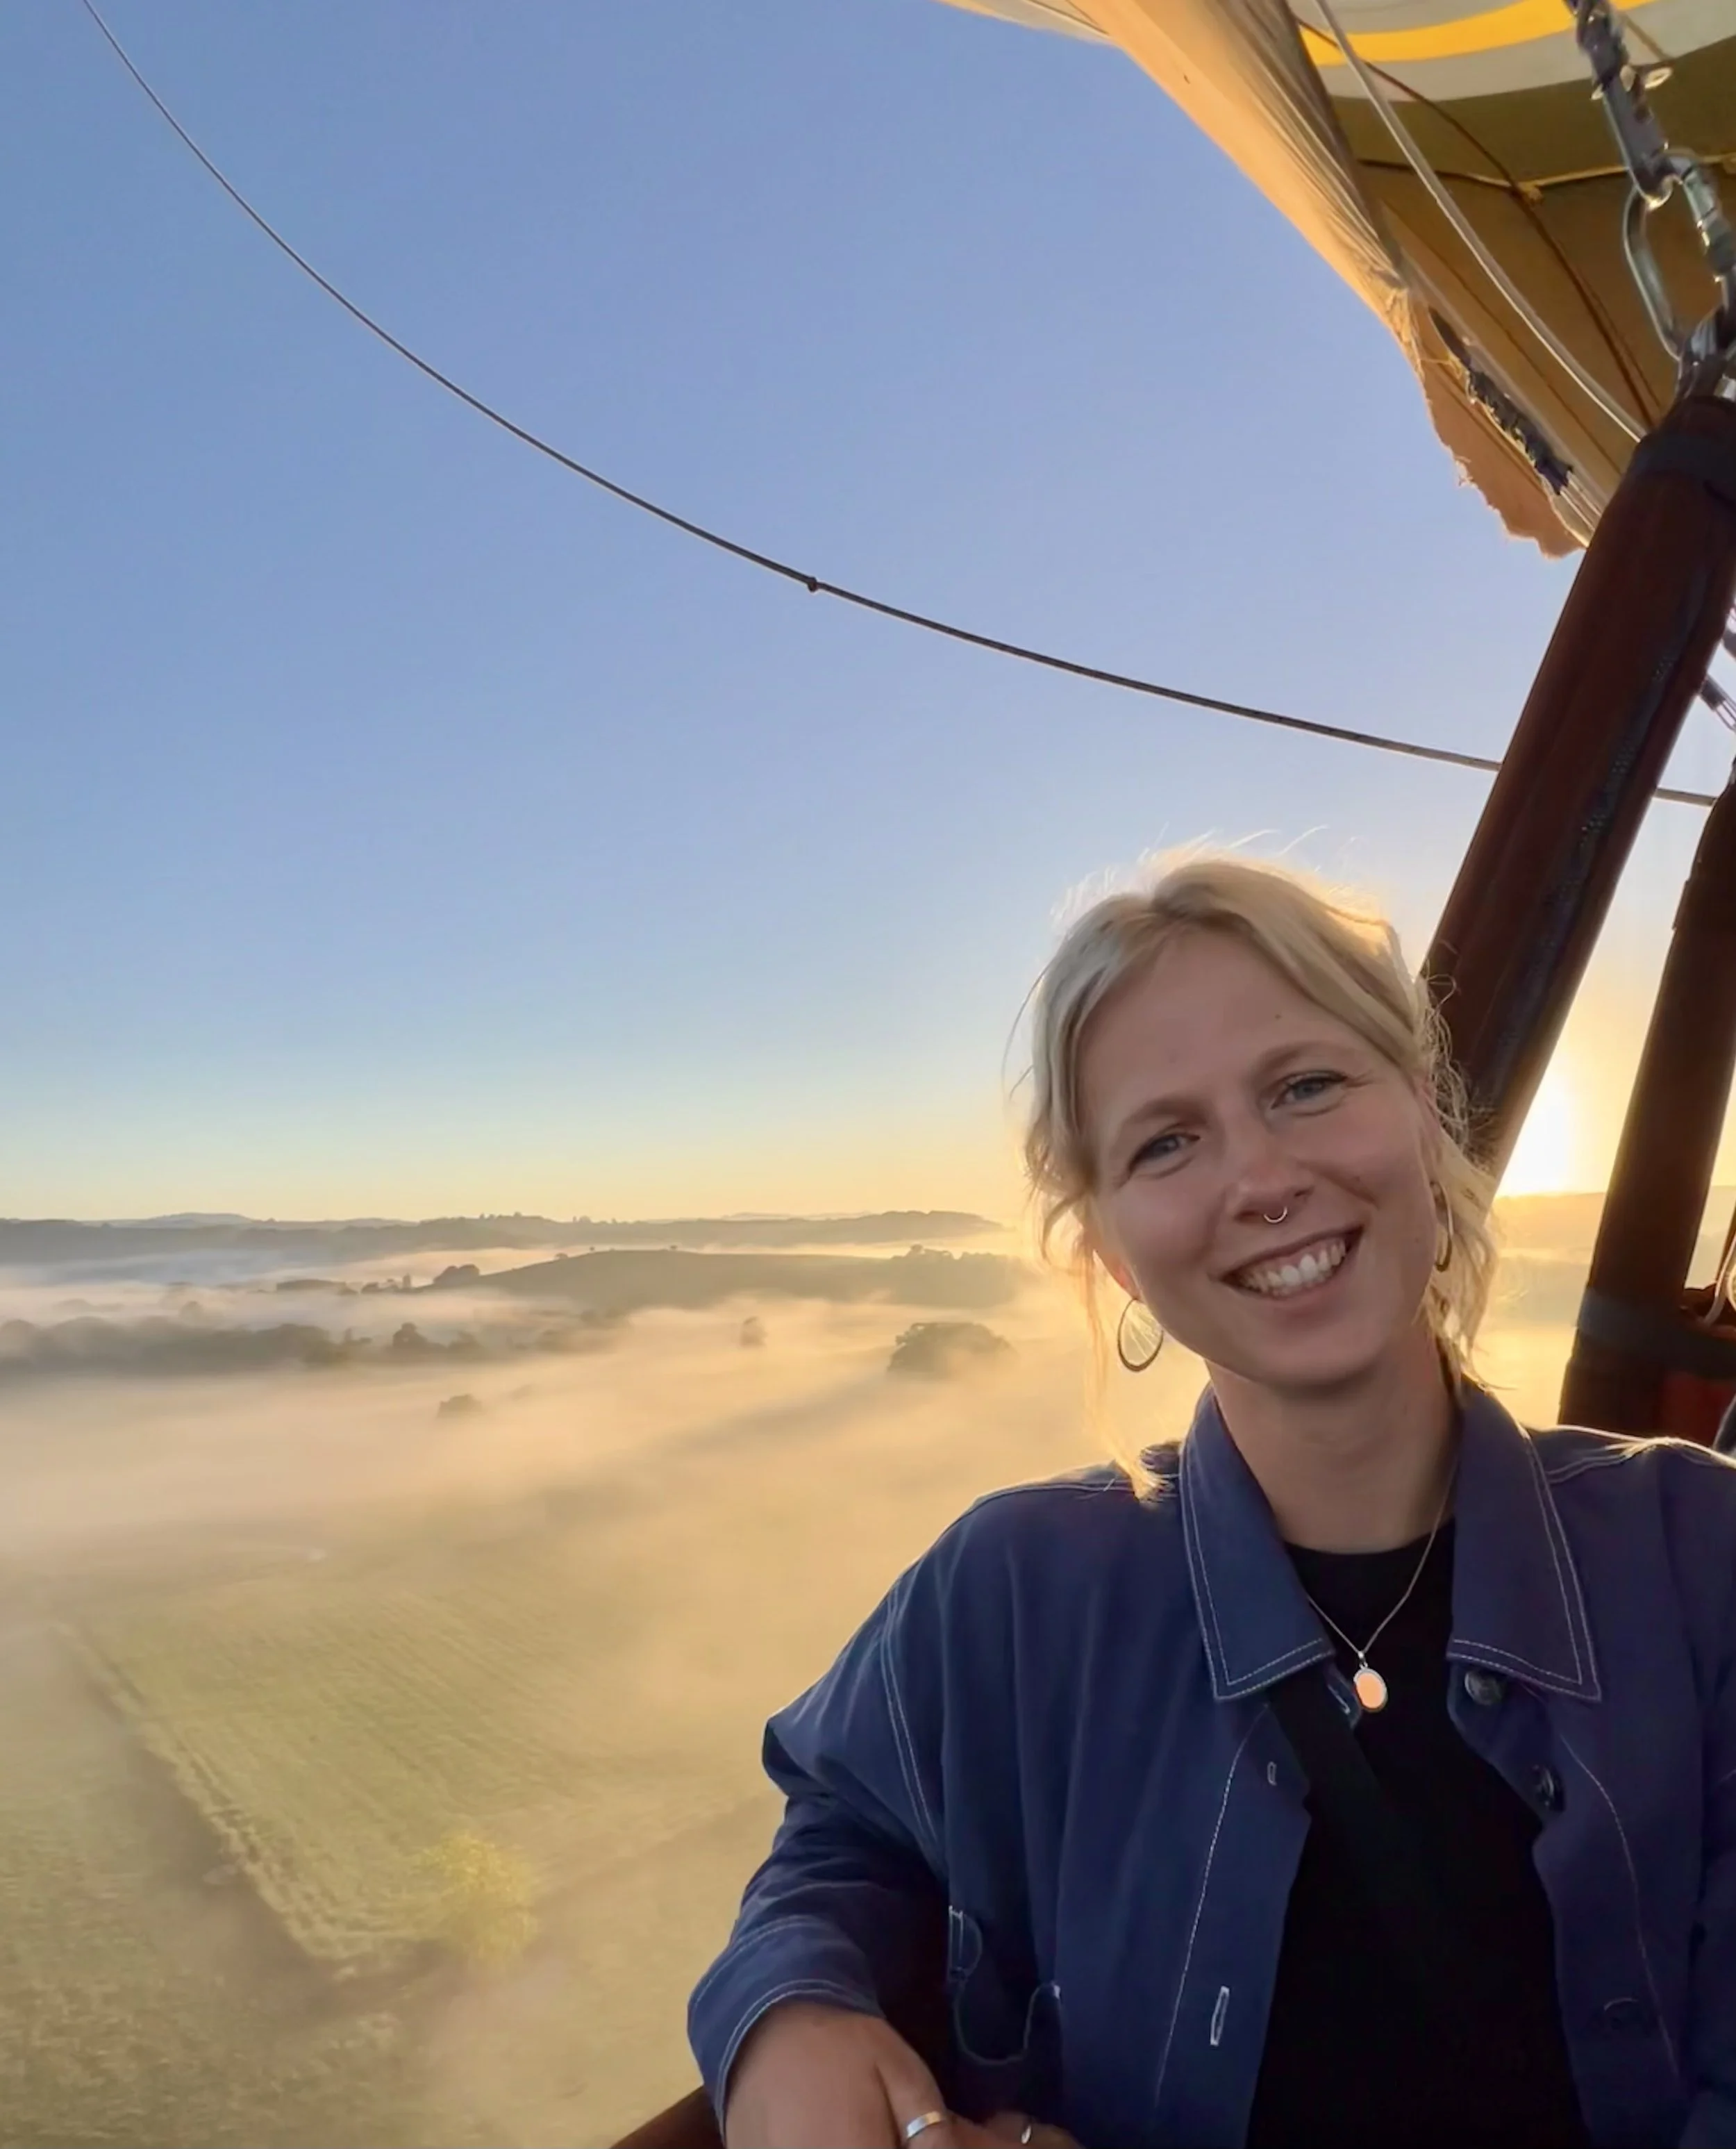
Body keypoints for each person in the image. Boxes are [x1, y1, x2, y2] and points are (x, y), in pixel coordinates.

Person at [687, 855, 1736, 2149]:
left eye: (1306, 1086)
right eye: (1168, 1140)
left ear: (1422, 1117)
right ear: (1117, 1250)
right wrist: (786, 2013)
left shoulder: (1701, 1558)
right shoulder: (1015, 1589)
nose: (1260, 1176)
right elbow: (843, 1829)